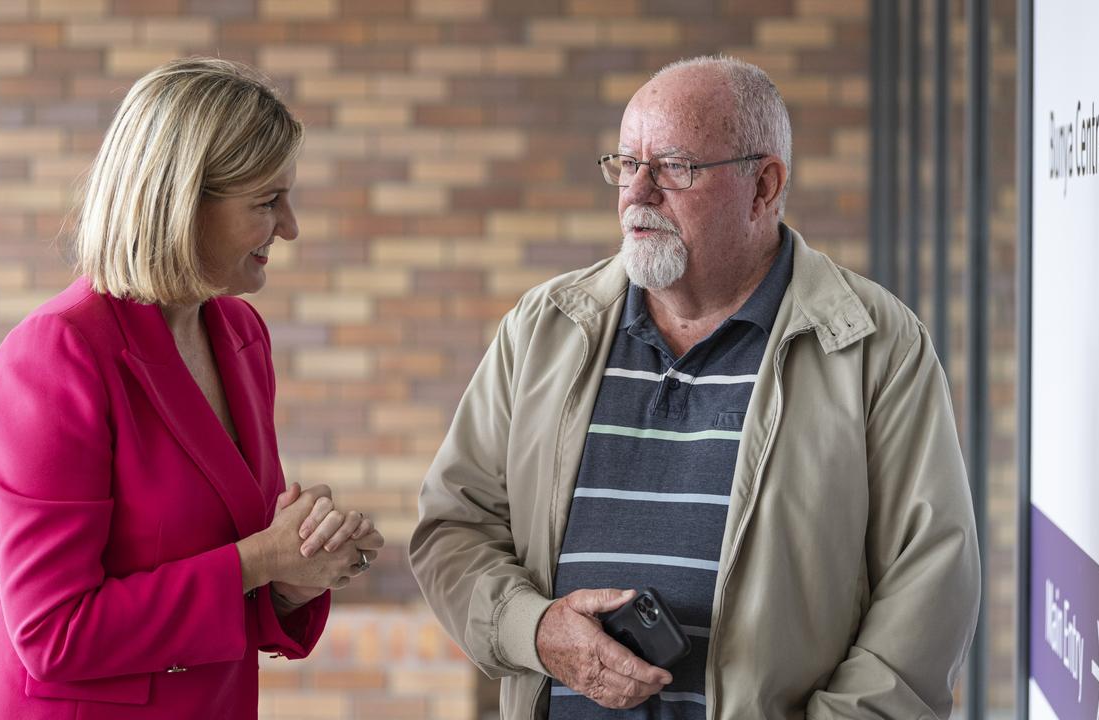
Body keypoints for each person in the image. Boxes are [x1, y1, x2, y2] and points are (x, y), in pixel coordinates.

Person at [410, 55, 979, 719]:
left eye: (674, 167)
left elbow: (929, 584)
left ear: (763, 187)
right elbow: (454, 527)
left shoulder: (872, 344)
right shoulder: (546, 328)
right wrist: (534, 630)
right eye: (626, 164)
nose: (637, 193)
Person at [0, 58, 384, 719]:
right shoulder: (56, 354)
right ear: (180, 203)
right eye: (268, 203)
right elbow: (53, 632)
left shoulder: (239, 334)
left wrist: (294, 573)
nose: (290, 228)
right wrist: (258, 559)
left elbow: (230, 577)